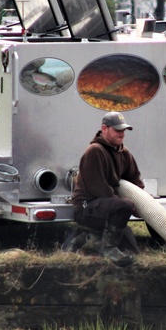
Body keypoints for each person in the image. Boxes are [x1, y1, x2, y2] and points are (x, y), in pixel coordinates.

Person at [67, 111, 145, 267]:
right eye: (117, 130)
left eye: (123, 130)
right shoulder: (95, 151)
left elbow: (135, 179)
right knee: (124, 205)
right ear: (104, 129)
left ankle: (86, 238)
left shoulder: (124, 153)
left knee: (132, 251)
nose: (122, 134)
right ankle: (107, 248)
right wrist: (128, 205)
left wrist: (142, 202)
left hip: (108, 205)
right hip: (86, 206)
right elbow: (99, 189)